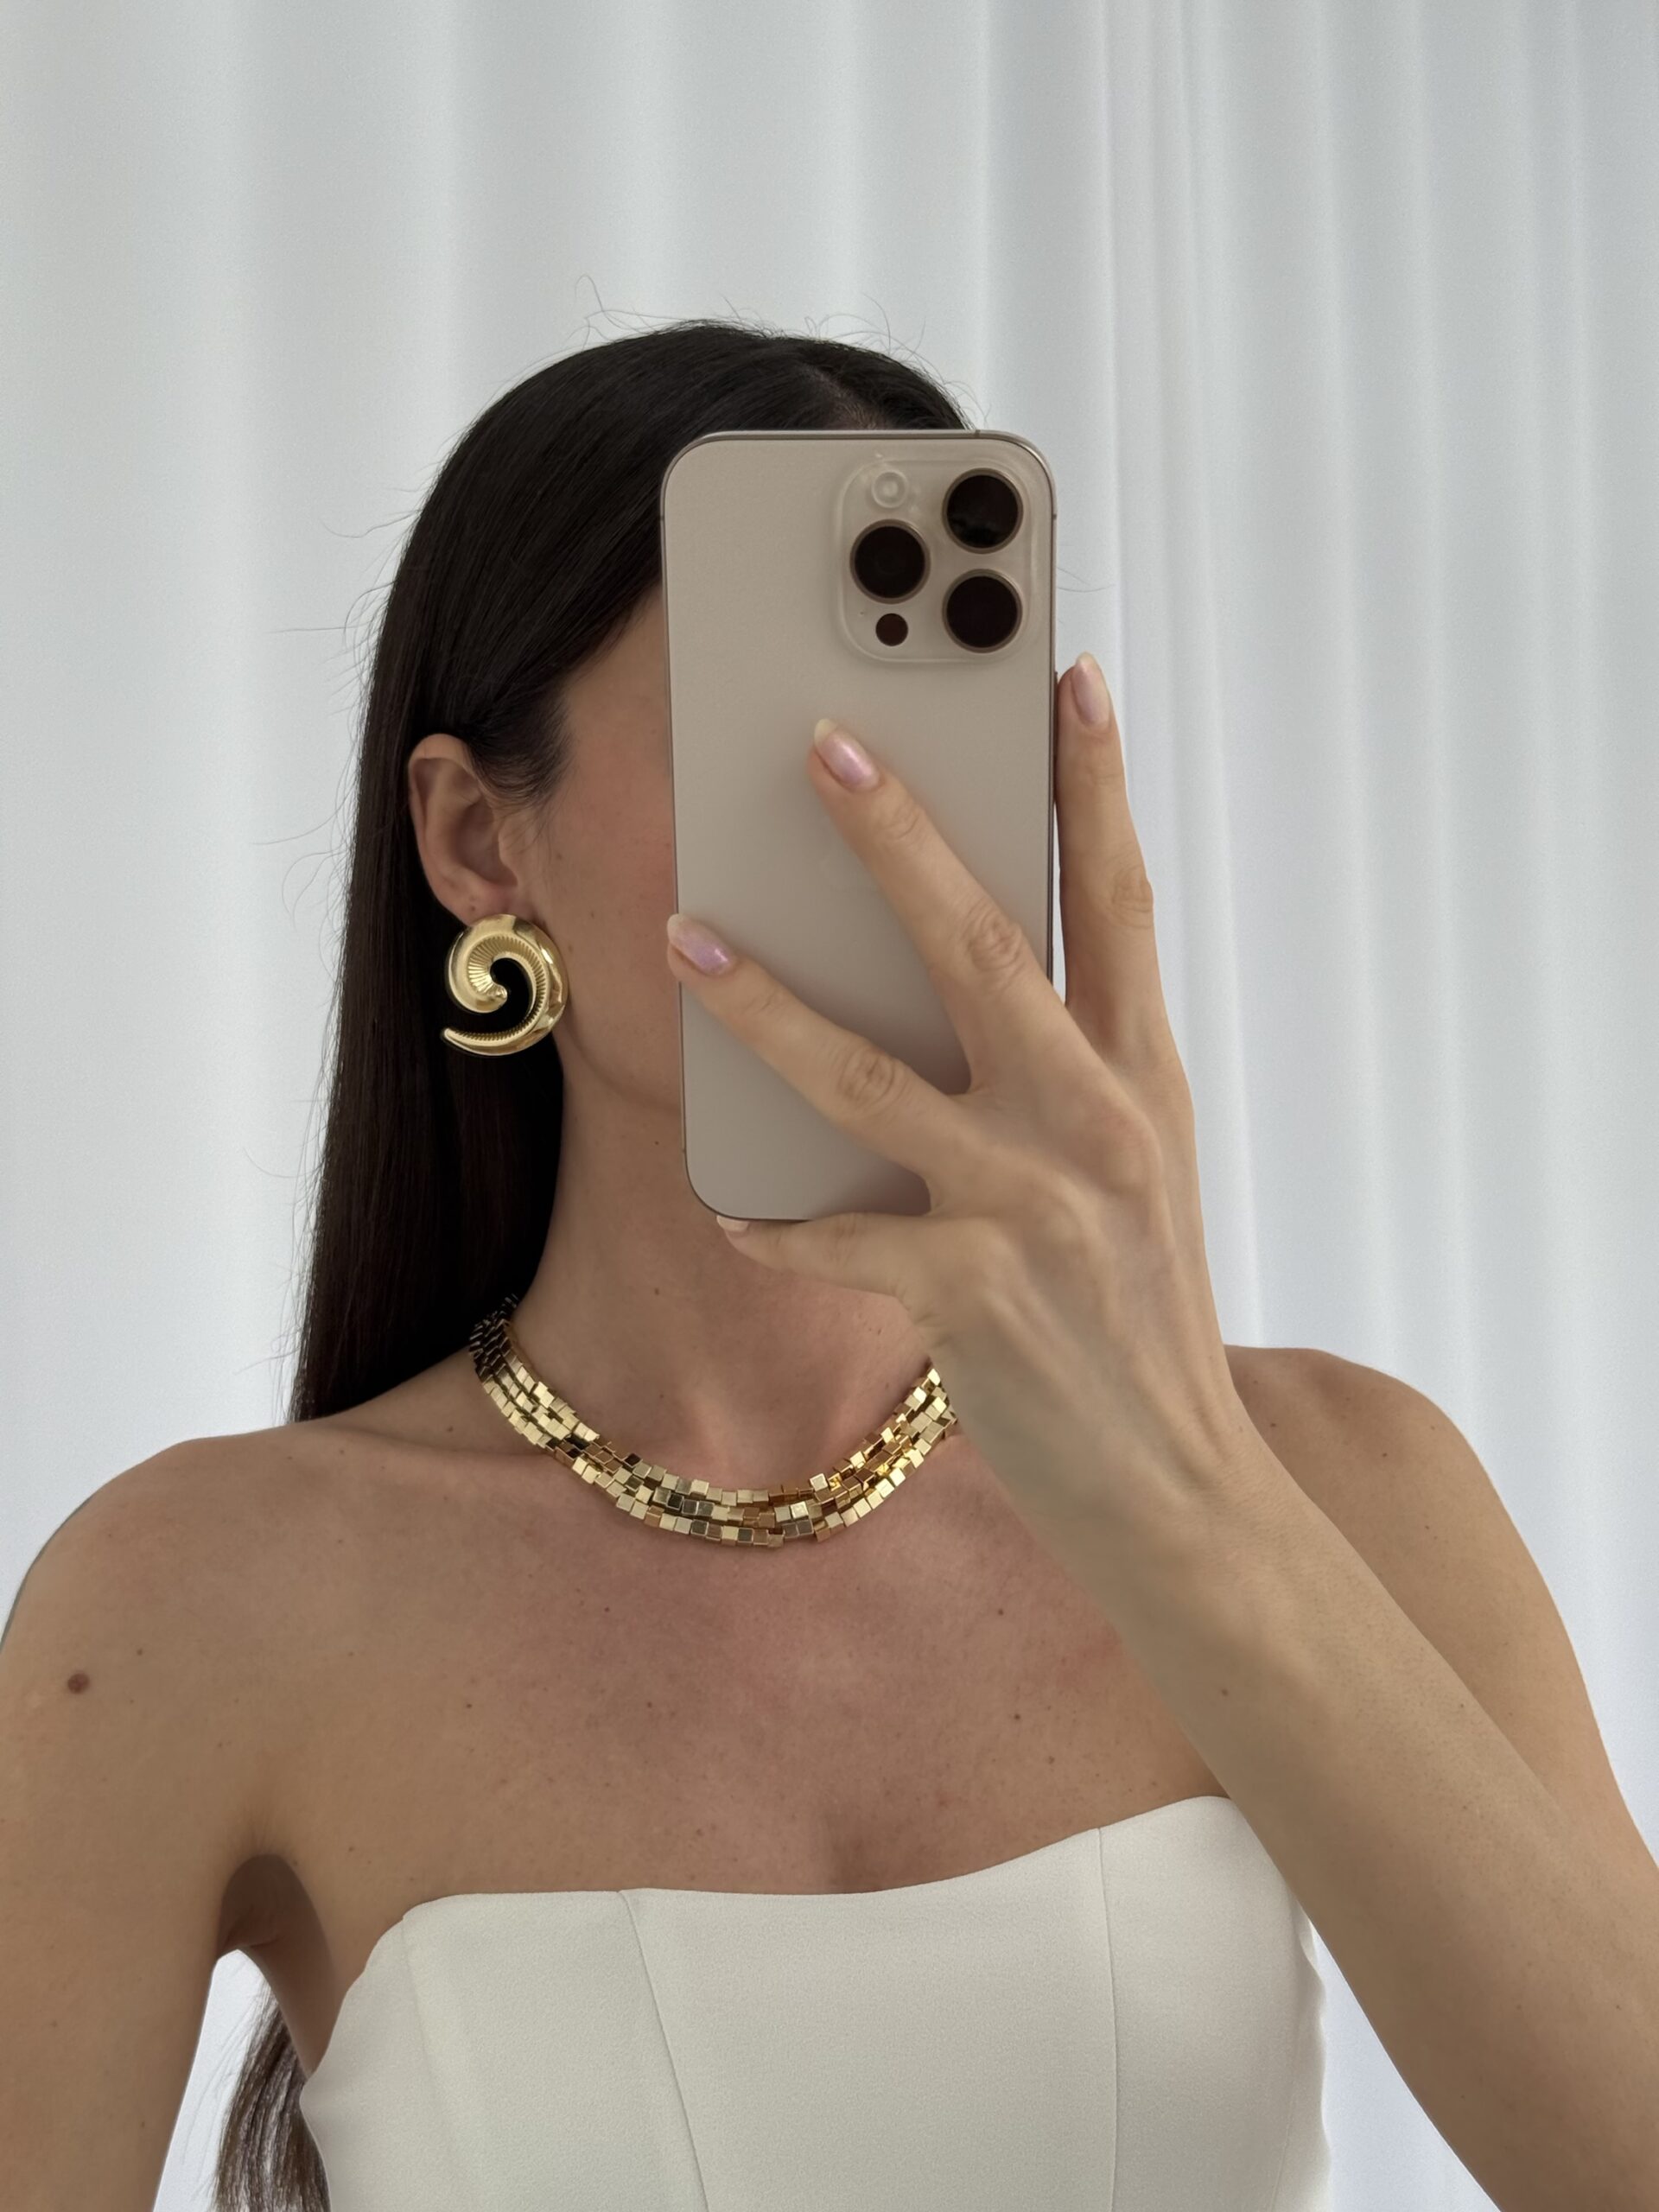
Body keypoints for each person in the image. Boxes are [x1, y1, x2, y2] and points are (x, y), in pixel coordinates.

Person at [2, 321, 1330, 2209]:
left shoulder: (1330, 1485)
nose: (884, 823)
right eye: (783, 730)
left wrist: (1192, 1489)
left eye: (939, 732)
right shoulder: (190, 1604)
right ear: (480, 841)